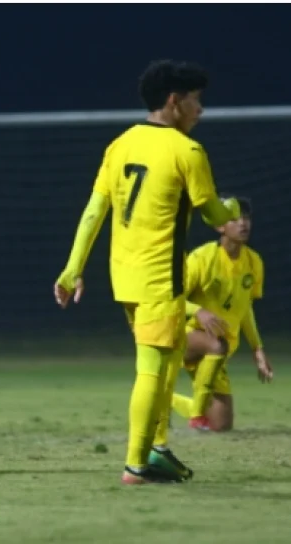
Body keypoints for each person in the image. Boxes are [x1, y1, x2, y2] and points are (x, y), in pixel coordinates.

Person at [53, 59, 241, 485]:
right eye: (196, 101)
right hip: (160, 279)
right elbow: (214, 213)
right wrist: (229, 208)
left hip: (125, 278)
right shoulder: (186, 151)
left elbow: (94, 212)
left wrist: (72, 270)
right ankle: (136, 464)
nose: (201, 110)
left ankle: (157, 449)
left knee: (169, 361)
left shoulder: (120, 144)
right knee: (152, 369)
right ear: (174, 102)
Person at [172, 196, 273, 431]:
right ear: (220, 226)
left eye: (246, 218)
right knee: (216, 345)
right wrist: (198, 312)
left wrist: (257, 349)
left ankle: (164, 400)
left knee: (221, 425)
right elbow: (172, 299)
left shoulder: (254, 262)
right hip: (187, 338)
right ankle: (196, 415)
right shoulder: (201, 258)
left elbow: (244, 307)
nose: (243, 224)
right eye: (235, 219)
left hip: (218, 353)